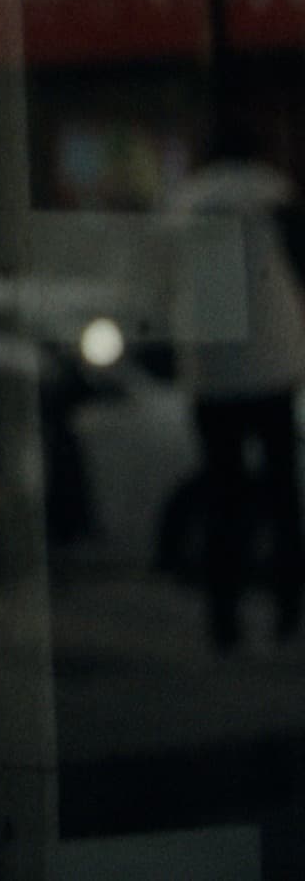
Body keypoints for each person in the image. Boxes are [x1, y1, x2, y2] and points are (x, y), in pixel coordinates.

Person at [169, 152, 305, 652]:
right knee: (282, 490)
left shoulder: (187, 205)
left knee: (223, 493)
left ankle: (224, 618)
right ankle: (288, 607)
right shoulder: (273, 197)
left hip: (212, 371)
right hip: (272, 365)